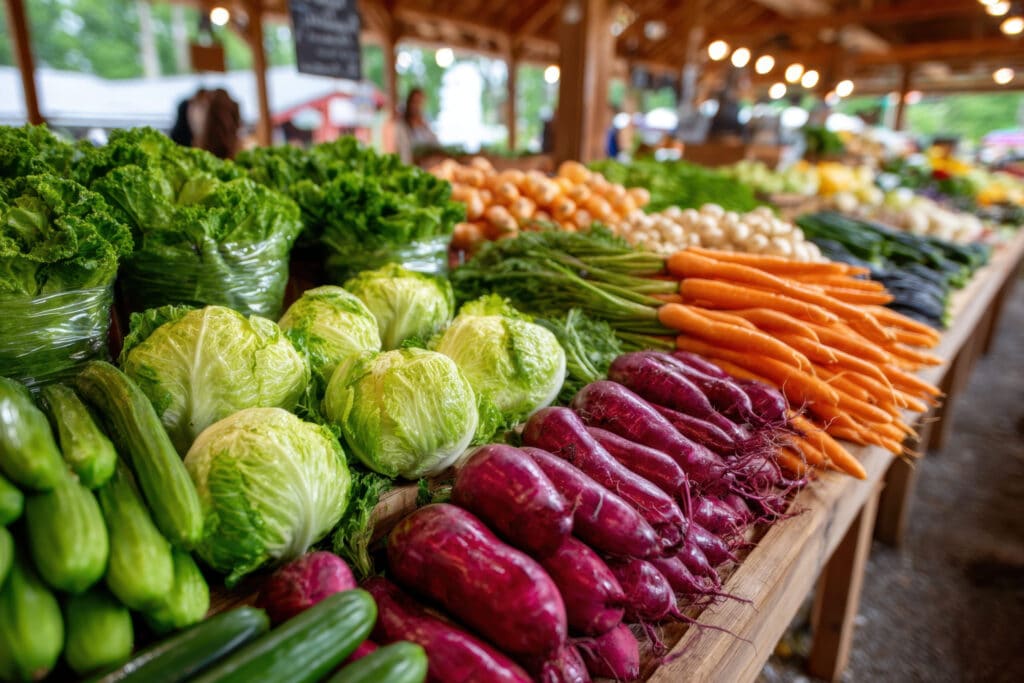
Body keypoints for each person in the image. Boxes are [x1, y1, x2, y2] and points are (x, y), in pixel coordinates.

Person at [396, 87, 439, 163]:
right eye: (415, 101)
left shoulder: (425, 124)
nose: (417, 105)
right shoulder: (402, 125)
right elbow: (406, 151)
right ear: (409, 102)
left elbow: (435, 144)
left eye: (420, 102)